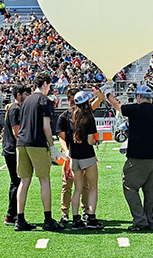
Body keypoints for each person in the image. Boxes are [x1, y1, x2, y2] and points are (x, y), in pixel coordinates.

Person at [106, 84, 153, 231]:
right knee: (149, 191)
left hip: (138, 156)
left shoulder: (136, 109)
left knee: (129, 187)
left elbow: (118, 106)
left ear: (139, 96)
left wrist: (107, 94)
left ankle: (140, 220)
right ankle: (149, 220)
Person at [15, 73, 64, 232]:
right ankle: (48, 219)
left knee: (24, 181)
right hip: (36, 142)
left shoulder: (26, 100)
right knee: (44, 180)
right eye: (49, 86)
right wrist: (52, 146)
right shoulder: (44, 101)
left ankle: (20, 219)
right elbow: (46, 127)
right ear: (44, 84)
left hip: (21, 143)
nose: (49, 89)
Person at [57, 91, 103, 230]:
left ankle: (75, 218)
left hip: (73, 157)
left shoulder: (69, 115)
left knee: (77, 189)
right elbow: (90, 141)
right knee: (92, 187)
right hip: (87, 156)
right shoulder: (88, 118)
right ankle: (91, 217)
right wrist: (97, 140)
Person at [2, 84, 31, 227]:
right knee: (17, 182)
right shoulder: (15, 109)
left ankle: (12, 214)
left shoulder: (13, 108)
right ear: (19, 95)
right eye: (26, 94)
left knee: (17, 182)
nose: (28, 97)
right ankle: (10, 215)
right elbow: (17, 132)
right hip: (13, 150)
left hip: (11, 149)